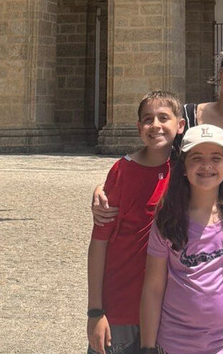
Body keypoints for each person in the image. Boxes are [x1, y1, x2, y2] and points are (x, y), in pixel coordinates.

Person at [94, 42, 223, 221]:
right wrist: (107, 187)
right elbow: (150, 158)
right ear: (221, 71)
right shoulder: (186, 119)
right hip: (192, 240)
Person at [139, 124, 223, 354]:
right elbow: (154, 287)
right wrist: (147, 347)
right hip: (176, 344)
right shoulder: (168, 218)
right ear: (184, 167)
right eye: (197, 158)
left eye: (216, 158)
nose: (206, 165)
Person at [87, 92, 185, 354]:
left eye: (164, 118)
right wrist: (95, 311)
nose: (155, 125)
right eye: (147, 119)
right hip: (121, 308)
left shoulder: (187, 173)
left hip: (169, 311)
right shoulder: (122, 171)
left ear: (181, 125)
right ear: (138, 127)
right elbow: (99, 242)